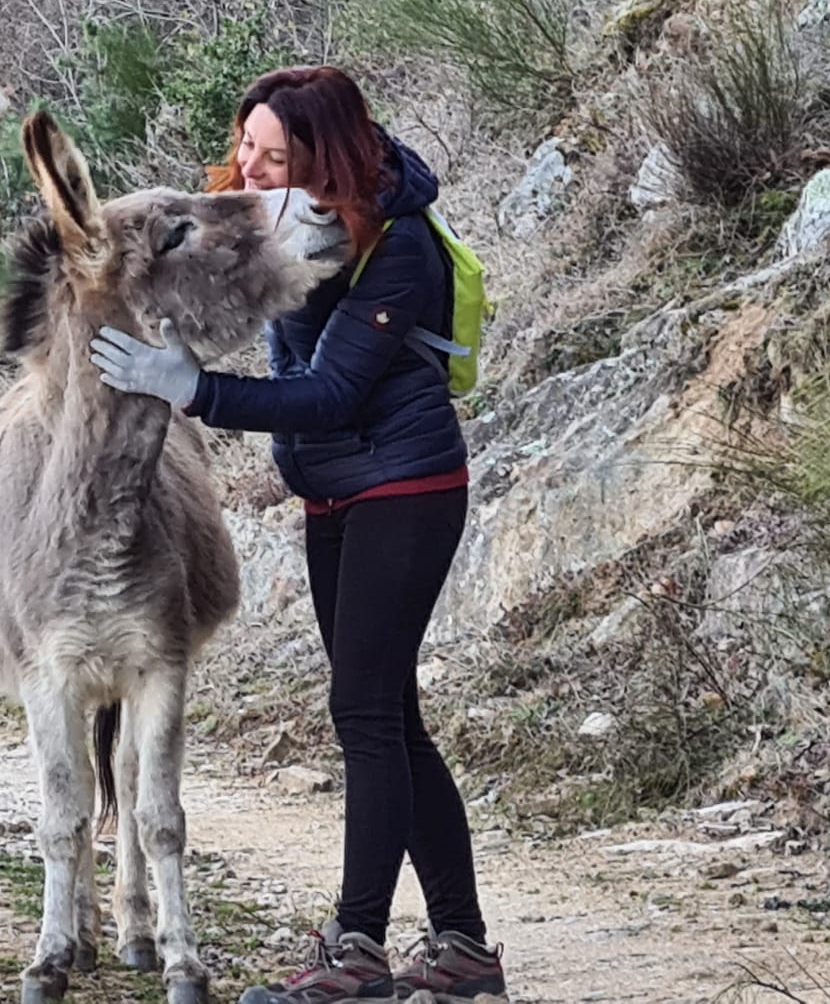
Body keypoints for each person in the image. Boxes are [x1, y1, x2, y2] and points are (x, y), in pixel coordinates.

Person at [88, 65, 507, 1003]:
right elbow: (205, 303)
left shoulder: (394, 244)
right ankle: (465, 950)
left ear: (328, 154)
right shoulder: (272, 217)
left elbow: (330, 394)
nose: (254, 168)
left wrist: (187, 389)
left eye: (277, 155)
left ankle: (356, 948)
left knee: (363, 714)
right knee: (391, 716)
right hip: (333, 498)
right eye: (248, 147)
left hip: (407, 485)